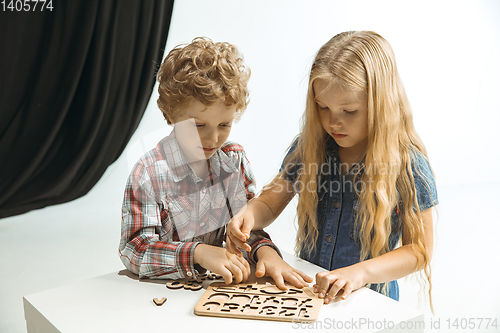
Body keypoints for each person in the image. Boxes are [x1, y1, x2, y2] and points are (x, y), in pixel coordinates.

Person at [226, 31, 438, 307]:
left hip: (370, 303)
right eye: (323, 108)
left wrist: (360, 273)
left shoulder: (408, 164)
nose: (333, 123)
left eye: (349, 111)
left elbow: (419, 251)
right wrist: (250, 215)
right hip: (311, 295)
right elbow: (270, 202)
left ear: (381, 104)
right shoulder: (310, 147)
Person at [119, 37, 312, 289]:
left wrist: (266, 253)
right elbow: (134, 250)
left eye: (224, 125)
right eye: (199, 125)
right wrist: (198, 253)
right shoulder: (149, 172)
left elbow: (245, 228)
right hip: (157, 295)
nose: (213, 138)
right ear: (171, 114)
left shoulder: (234, 160)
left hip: (210, 290)